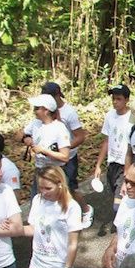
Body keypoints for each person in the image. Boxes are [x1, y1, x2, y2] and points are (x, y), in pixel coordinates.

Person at [36, 82, 94, 228]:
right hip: (50, 160)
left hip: (67, 159)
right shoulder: (43, 114)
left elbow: (80, 136)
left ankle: (86, 210)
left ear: (56, 96)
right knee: (51, 189)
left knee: (69, 189)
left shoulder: (69, 113)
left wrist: (64, 149)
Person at [93, 84, 133, 213]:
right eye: (113, 99)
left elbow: (131, 145)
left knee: (118, 204)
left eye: (119, 99)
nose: (115, 102)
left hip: (125, 164)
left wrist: (128, 168)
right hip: (112, 163)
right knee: (118, 197)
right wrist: (99, 164)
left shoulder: (132, 118)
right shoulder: (110, 115)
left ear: (126, 100)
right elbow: (107, 140)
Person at [23, 93, 71, 195]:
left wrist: (44, 151)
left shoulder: (59, 128)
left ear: (46, 110)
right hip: (39, 170)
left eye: (37, 108)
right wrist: (25, 138)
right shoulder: (35, 123)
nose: (34, 111)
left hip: (55, 172)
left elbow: (65, 157)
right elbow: (19, 134)